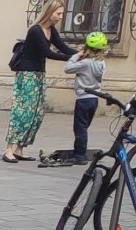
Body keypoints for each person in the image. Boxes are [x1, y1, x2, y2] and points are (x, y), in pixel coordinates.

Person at [2, 0, 76, 164]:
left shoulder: (51, 30)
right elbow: (48, 53)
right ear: (49, 12)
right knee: (22, 112)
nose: (61, 17)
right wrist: (72, 58)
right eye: (58, 13)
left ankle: (20, 148)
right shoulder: (35, 31)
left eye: (62, 14)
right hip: (27, 75)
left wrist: (82, 54)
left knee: (36, 113)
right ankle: (9, 149)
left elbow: (63, 47)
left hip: (39, 75)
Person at [42, 32, 109, 167]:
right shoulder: (101, 63)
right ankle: (79, 150)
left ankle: (79, 155)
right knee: (84, 127)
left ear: (87, 48)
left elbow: (68, 69)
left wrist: (77, 55)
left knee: (80, 128)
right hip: (94, 99)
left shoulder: (85, 63)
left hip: (83, 99)